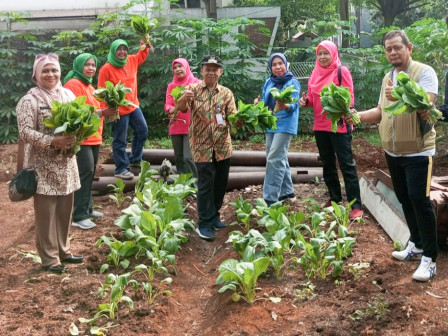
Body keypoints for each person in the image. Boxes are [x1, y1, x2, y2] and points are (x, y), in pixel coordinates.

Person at [350, 30, 438, 282]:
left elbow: (427, 104)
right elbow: (380, 111)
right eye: (388, 49)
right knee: (404, 199)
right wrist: (356, 115)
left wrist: (399, 94)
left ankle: (430, 259)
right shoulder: (387, 77)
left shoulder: (424, 72)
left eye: (397, 47)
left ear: (409, 47)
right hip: (393, 151)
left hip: (418, 151)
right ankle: (416, 243)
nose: (392, 52)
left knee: (419, 201)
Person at [16, 54, 82, 274]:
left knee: (65, 209)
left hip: (66, 163)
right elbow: (25, 132)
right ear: (36, 74)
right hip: (42, 165)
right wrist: (53, 141)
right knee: (46, 212)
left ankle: (64, 250)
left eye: (54, 70)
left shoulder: (68, 95)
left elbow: (81, 120)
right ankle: (49, 258)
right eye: (45, 70)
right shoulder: (29, 100)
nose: (50, 74)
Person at [299, 41, 363, 219]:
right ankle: (334, 198)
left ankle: (355, 204)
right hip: (320, 125)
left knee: (346, 164)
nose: (322, 57)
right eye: (319, 54)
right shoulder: (315, 72)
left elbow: (349, 98)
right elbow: (311, 98)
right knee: (327, 164)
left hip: (339, 125)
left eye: (326, 53)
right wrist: (305, 102)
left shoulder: (342, 71)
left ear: (333, 54)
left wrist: (337, 105)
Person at [177, 55, 237, 241]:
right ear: (201, 71)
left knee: (220, 184)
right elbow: (181, 109)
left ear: (221, 71)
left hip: (222, 146)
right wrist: (182, 98)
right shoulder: (192, 89)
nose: (211, 72)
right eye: (207, 68)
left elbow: (233, 118)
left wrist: (244, 118)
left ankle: (214, 216)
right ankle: (203, 222)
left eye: (215, 68)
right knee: (204, 184)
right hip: (201, 146)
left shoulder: (227, 93)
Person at [64, 53, 119, 230]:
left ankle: (87, 208)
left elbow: (95, 108)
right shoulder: (73, 84)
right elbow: (76, 112)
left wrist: (107, 109)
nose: (91, 68)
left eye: (93, 65)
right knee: (84, 173)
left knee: (90, 173)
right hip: (82, 138)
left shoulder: (89, 85)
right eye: (87, 65)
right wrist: (102, 113)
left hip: (94, 136)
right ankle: (78, 215)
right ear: (79, 66)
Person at [98, 39, 150, 179]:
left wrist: (144, 43)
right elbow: (101, 91)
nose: (122, 52)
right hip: (117, 109)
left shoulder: (131, 60)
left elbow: (142, 55)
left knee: (142, 130)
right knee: (120, 139)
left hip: (133, 105)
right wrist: (105, 110)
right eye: (118, 49)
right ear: (113, 51)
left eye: (124, 49)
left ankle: (135, 161)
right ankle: (120, 169)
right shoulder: (106, 68)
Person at [254, 52, 300, 206]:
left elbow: (294, 104)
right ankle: (288, 193)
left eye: (280, 63)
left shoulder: (292, 81)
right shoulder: (269, 82)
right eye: (274, 64)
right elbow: (264, 102)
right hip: (271, 123)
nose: (278, 67)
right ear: (270, 67)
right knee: (276, 157)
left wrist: (285, 105)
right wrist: (257, 104)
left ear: (286, 64)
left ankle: (270, 199)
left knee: (274, 158)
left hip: (285, 124)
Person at [164, 58, 200, 178]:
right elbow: (168, 104)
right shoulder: (171, 86)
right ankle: (183, 185)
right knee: (179, 158)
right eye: (175, 67)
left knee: (188, 157)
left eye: (180, 66)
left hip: (192, 124)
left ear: (187, 67)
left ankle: (196, 185)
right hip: (176, 124)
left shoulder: (196, 83)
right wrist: (170, 109)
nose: (178, 69)